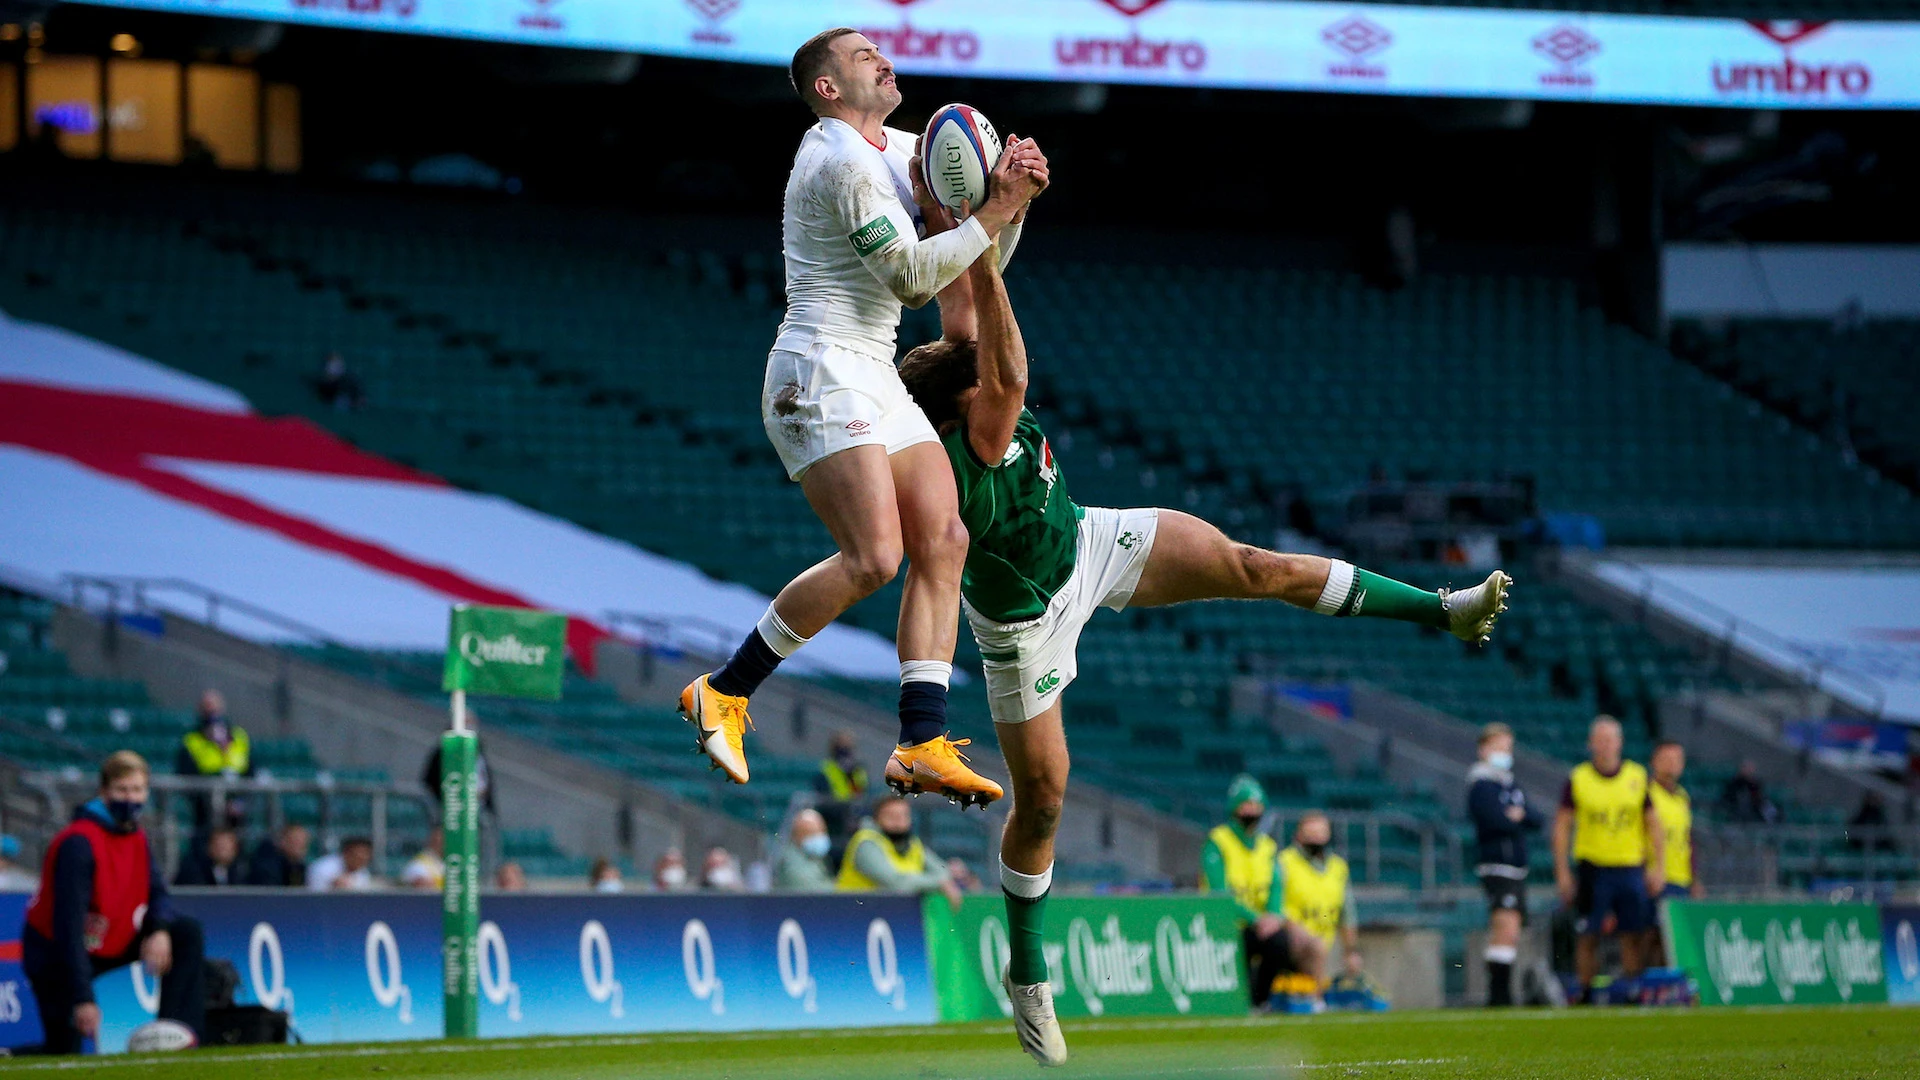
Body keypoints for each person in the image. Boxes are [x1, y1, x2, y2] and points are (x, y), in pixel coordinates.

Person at [896, 205, 1509, 1060]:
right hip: (1023, 629)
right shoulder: (980, 431)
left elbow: (965, 302)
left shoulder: (968, 387)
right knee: (1044, 801)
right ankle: (1027, 972)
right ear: (960, 413)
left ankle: (1444, 609)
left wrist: (961, 211)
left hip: (1090, 541)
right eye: (975, 380)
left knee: (1254, 565)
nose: (983, 367)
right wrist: (995, 223)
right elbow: (1003, 359)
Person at [677, 26, 1047, 808]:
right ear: (828, 88)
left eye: (880, 47)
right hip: (818, 366)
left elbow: (974, 267)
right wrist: (995, 212)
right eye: (860, 55)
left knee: (944, 537)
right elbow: (915, 281)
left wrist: (1011, 204)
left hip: (870, 368)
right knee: (875, 558)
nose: (881, 56)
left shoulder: (904, 146)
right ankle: (725, 689)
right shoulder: (838, 158)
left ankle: (921, 740)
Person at [21, 751, 207, 1053]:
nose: (130, 798)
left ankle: (175, 1038)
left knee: (184, 932)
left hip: (110, 939)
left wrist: (158, 930)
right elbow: (67, 926)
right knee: (63, 1051)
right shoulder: (79, 843)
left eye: (137, 790)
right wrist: (83, 997)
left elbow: (157, 891)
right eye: (122, 790)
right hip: (58, 955)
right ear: (104, 791)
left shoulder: (137, 836)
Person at [1553, 716, 1664, 1003]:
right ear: (1590, 744)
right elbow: (1562, 825)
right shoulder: (1579, 778)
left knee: (1633, 932)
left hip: (1629, 865)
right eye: (1599, 740)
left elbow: (1653, 824)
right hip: (1593, 866)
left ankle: (1631, 989)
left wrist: (1658, 866)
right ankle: (1586, 991)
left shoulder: (1636, 776)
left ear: (1620, 743)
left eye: (1610, 739)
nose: (1605, 746)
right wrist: (1563, 871)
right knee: (1588, 933)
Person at [1467, 723, 1542, 1007]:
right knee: (1505, 926)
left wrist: (1518, 816)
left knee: (1511, 929)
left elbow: (1535, 818)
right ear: (1484, 749)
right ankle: (1499, 995)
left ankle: (1502, 993)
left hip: (1515, 867)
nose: (1503, 753)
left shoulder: (1510, 783)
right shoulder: (1481, 784)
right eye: (1498, 747)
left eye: (1507, 748)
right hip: (1497, 865)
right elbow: (1494, 819)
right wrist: (1515, 818)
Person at [1199, 775, 1289, 1012]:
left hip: (1258, 925)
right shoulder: (1218, 842)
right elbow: (1219, 892)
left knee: (1279, 942)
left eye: (1257, 806)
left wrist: (1273, 915)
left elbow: (1276, 885)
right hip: (1226, 922)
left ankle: (1262, 1001)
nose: (1252, 811)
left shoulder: (1266, 846)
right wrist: (1256, 919)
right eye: (1246, 805)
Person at [1273, 813, 1361, 1006]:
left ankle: (1315, 1000)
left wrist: (1351, 951)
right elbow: (1274, 905)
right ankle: (1317, 1002)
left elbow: (1347, 914)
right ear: (1298, 836)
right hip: (1290, 939)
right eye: (1310, 834)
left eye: (1321, 834)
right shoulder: (1284, 862)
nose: (1316, 839)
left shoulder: (1338, 868)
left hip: (1324, 945)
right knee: (1316, 947)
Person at [836, 795, 963, 910]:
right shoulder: (866, 842)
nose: (898, 822)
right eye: (891, 816)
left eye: (903, 816)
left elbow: (943, 872)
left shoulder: (913, 844)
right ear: (876, 819)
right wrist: (938, 883)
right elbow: (896, 883)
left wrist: (942, 879)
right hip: (852, 914)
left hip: (893, 915)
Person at [1646, 740, 1701, 966]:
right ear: (1654, 762)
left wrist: (1694, 878)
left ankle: (1666, 990)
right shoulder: (1646, 794)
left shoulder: (1682, 797)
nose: (1671, 765)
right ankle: (1645, 988)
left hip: (1680, 878)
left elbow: (1687, 840)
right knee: (1651, 935)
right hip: (1655, 877)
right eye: (1666, 759)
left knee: (1674, 940)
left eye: (1676, 760)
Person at [173, 689, 253, 833]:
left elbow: (251, 770)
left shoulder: (239, 735)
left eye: (214, 706)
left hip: (236, 806)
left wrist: (240, 800)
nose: (212, 711)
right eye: (207, 706)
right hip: (204, 808)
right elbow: (184, 774)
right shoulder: (191, 739)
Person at [813, 730, 869, 842]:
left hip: (857, 822)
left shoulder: (859, 770)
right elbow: (823, 800)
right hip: (834, 825)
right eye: (841, 746)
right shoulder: (826, 769)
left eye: (848, 746)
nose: (845, 750)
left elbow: (865, 796)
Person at [772, 808, 836, 892]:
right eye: (812, 833)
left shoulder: (813, 856)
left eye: (822, 831)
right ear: (796, 836)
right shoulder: (792, 863)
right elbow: (818, 893)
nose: (819, 837)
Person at [173, 826, 246, 887]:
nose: (222, 850)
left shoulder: (242, 872)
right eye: (219, 845)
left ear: (235, 849)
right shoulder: (194, 870)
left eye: (226, 846)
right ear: (209, 848)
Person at [247, 823, 310, 887]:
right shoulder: (267, 868)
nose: (301, 846)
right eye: (296, 841)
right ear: (283, 841)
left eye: (303, 842)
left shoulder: (299, 868)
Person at [1717, 759, 1777, 825]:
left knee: (1769, 808)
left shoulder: (1756, 783)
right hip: (1737, 810)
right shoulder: (1734, 782)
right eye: (1747, 768)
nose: (1750, 771)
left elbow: (1759, 798)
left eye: (1751, 769)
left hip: (1755, 810)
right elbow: (1729, 797)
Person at [307, 836, 375, 892]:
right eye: (357, 856)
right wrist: (332, 885)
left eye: (365, 857)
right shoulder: (322, 867)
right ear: (346, 853)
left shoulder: (363, 873)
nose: (362, 859)